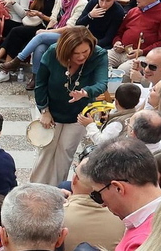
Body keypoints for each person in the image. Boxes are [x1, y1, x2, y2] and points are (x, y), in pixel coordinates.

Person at [31, 26, 109, 186]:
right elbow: (40, 83)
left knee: (65, 152)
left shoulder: (99, 55)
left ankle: (56, 191)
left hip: (78, 112)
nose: (81, 57)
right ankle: (35, 188)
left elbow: (102, 83)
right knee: (46, 150)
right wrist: (44, 110)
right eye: (76, 53)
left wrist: (86, 92)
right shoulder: (53, 52)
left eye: (85, 52)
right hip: (51, 108)